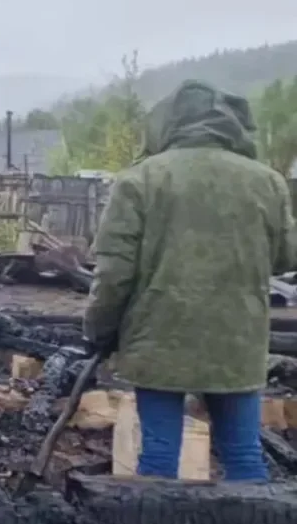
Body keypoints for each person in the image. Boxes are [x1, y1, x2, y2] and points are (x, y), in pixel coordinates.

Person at [84, 80, 296, 483]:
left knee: (159, 455)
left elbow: (113, 274)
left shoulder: (140, 180)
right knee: (244, 456)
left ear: (169, 122)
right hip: (237, 341)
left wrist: (99, 330)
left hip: (158, 339)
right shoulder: (267, 181)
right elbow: (286, 257)